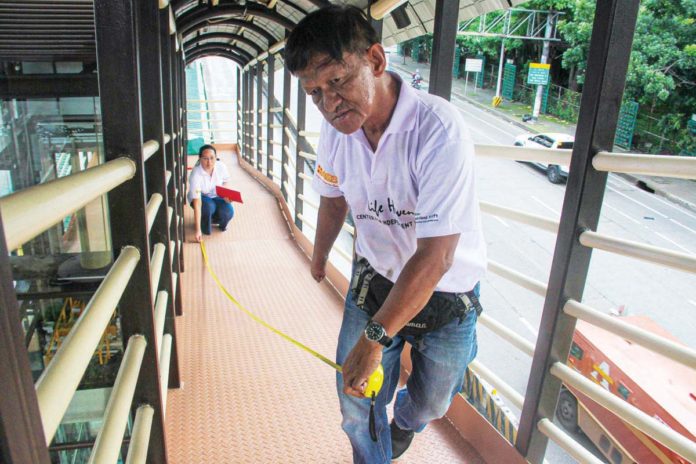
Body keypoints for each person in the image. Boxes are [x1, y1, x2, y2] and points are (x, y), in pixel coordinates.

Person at [285, 6, 486, 464]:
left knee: (435, 399)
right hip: (375, 278)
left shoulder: (439, 131)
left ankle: (406, 423)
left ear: (376, 60)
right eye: (314, 93)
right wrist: (319, 256)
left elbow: (436, 257)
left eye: (337, 82)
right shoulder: (337, 130)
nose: (329, 104)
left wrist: (374, 341)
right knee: (355, 405)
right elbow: (334, 195)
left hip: (446, 289)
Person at [187, 144, 234, 242]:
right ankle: (204, 225)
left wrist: (226, 194)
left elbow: (226, 181)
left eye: (212, 158)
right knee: (208, 207)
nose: (209, 162)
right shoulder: (196, 174)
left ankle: (215, 221)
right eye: (205, 159)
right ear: (200, 159)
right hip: (202, 197)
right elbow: (197, 204)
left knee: (228, 211)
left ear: (216, 157)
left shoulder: (221, 166)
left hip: (217, 195)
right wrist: (198, 230)